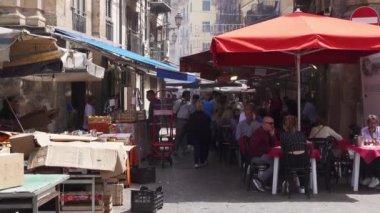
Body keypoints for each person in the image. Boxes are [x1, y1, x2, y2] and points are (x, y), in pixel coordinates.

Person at [280, 115, 309, 194]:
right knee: (300, 161)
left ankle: (285, 182)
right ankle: (303, 186)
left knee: (281, 162)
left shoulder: (283, 135)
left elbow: (283, 149)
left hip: (290, 163)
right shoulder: (302, 134)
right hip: (303, 162)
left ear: (285, 125)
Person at [250, 116, 277, 192]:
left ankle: (267, 182)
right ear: (264, 124)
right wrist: (269, 150)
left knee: (276, 162)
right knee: (276, 163)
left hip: (264, 154)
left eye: (273, 123)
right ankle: (259, 180)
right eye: (270, 123)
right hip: (257, 156)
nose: (272, 125)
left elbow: (273, 144)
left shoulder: (267, 132)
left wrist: (272, 135)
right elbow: (254, 148)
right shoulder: (259, 133)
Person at [187, 101, 211, 168]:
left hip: (195, 134)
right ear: (202, 107)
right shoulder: (206, 116)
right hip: (204, 134)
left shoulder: (192, 116)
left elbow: (190, 126)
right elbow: (208, 126)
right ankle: (202, 161)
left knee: (196, 148)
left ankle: (196, 162)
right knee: (203, 148)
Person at [359, 114, 380, 188]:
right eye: (371, 123)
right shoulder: (363, 130)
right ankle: (369, 177)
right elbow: (362, 141)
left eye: (374, 123)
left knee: (377, 158)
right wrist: (371, 140)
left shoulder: (379, 130)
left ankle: (376, 178)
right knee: (362, 158)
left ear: (377, 124)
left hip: (378, 152)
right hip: (368, 151)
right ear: (367, 124)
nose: (372, 125)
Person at [172, 90, 192, 156]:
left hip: (187, 120)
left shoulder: (189, 103)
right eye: (189, 95)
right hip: (180, 120)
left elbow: (190, 111)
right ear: (186, 95)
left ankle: (184, 149)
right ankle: (175, 150)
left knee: (185, 136)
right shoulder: (178, 102)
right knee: (178, 136)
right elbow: (174, 111)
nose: (190, 96)